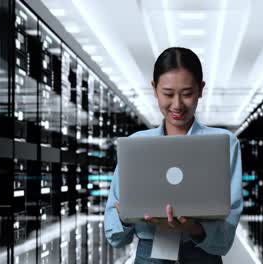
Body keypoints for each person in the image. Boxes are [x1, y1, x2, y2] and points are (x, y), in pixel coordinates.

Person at [104, 47, 243, 264]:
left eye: (187, 93)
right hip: (148, 256)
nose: (177, 104)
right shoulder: (136, 145)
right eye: (168, 94)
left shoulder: (225, 144)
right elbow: (113, 234)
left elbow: (225, 236)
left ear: (201, 89)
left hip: (202, 256)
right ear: (154, 89)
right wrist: (125, 218)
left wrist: (193, 228)